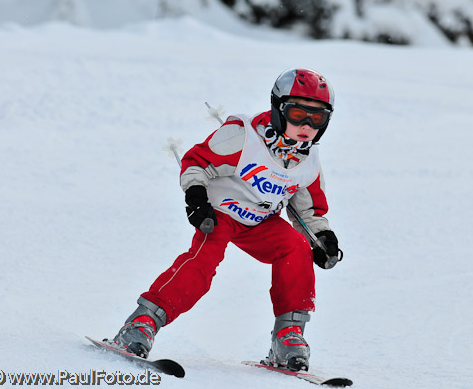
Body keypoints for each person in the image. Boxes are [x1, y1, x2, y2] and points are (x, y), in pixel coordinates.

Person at [113, 68, 343, 372]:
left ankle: (288, 335)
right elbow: (197, 161)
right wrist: (196, 196)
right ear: (278, 109)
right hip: (220, 213)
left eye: (317, 118)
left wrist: (321, 237)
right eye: (298, 113)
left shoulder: (309, 162)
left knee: (296, 247)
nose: (306, 126)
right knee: (202, 262)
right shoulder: (243, 136)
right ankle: (142, 322)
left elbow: (307, 210)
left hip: (261, 222)